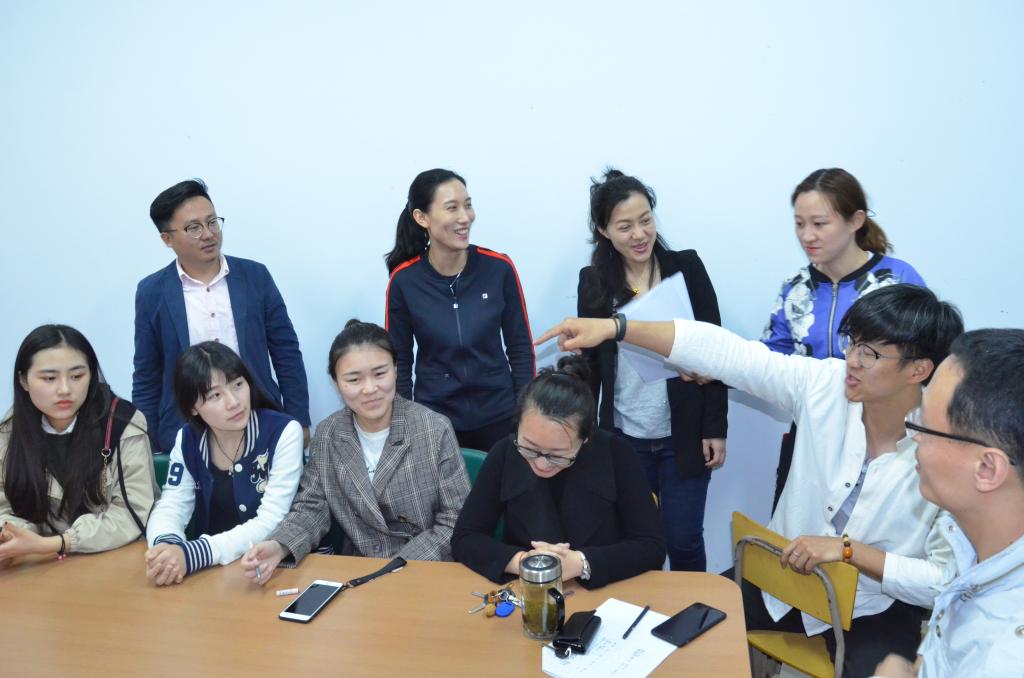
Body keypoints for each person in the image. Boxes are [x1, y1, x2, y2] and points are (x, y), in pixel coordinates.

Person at [537, 284, 964, 675]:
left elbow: (944, 581)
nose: (852, 360)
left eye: (870, 353)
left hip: (873, 608)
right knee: (671, 639)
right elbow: (731, 354)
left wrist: (851, 552)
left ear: (918, 370)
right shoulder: (824, 384)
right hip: (780, 580)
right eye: (853, 343)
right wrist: (617, 328)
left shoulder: (950, 451)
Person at [577, 168, 727, 572]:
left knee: (684, 539)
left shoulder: (686, 268)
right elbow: (591, 367)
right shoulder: (594, 282)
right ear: (603, 231)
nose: (640, 234)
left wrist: (715, 427)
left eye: (646, 220)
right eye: (625, 226)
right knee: (636, 543)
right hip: (625, 435)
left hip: (684, 432)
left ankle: (695, 608)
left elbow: (717, 349)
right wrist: (585, 434)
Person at [241, 320, 471, 583]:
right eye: (353, 379)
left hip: (425, 571)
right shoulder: (328, 434)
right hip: (358, 574)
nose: (369, 389)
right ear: (336, 383)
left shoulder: (432, 428)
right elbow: (311, 508)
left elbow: (456, 519)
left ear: (396, 369)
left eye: (380, 374)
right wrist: (279, 545)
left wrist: (395, 569)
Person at [764, 168, 926, 510]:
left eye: (819, 223)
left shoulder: (897, 281)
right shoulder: (795, 287)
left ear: (856, 221)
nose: (807, 235)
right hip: (810, 436)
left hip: (883, 441)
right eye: (799, 223)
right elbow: (771, 359)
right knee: (790, 531)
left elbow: (925, 362)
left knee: (865, 532)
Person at [872, 329, 1024, 678]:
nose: (913, 436)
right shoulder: (973, 537)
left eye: (924, 426)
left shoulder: (1005, 657)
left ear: (987, 468)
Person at [451, 356, 666, 589]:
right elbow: (466, 537)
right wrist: (524, 562)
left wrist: (582, 563)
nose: (542, 464)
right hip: (526, 592)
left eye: (558, 454)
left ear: (586, 438)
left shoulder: (616, 454)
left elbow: (651, 546)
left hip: (606, 593)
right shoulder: (504, 452)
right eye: (530, 448)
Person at [133, 178, 310, 453]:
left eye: (212, 222)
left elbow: (286, 353)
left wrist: (299, 420)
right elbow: (147, 374)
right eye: (193, 228)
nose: (208, 234)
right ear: (167, 239)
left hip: (259, 419)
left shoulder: (255, 276)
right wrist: (146, 441)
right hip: (187, 429)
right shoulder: (152, 292)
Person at [385, 169, 535, 452]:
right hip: (436, 420)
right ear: (422, 218)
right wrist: (405, 422)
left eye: (468, 205)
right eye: (452, 208)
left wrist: (526, 410)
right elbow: (399, 361)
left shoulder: (499, 268)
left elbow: (520, 347)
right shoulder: (404, 281)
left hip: (500, 416)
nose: (465, 217)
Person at [143, 342, 302, 585]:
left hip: (275, 571)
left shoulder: (283, 432)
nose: (234, 402)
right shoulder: (188, 439)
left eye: (238, 385)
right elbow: (171, 505)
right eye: (215, 395)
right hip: (212, 576)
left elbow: (271, 521)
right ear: (192, 407)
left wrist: (192, 554)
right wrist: (167, 548)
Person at [0, 325, 157, 561]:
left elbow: (132, 514)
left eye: (77, 376)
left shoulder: (123, 423)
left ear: (91, 375)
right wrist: (13, 535)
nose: (65, 389)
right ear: (23, 380)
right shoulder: (10, 430)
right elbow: (4, 507)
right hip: (38, 563)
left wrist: (58, 543)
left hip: (114, 558)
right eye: (49, 378)